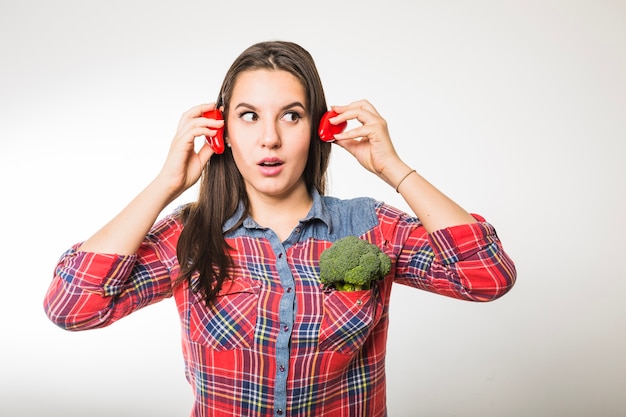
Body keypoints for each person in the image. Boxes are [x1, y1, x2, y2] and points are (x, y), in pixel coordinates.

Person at [44, 40, 516, 417]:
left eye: (291, 115)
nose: (269, 137)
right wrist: (167, 183)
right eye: (249, 116)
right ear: (222, 131)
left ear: (318, 128)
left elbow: (487, 277)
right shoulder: (191, 237)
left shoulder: (370, 226)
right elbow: (72, 308)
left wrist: (392, 168)